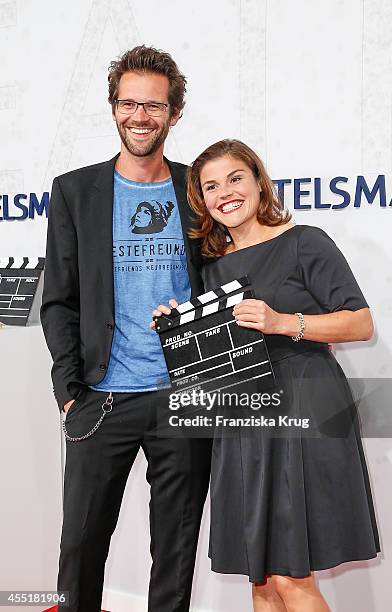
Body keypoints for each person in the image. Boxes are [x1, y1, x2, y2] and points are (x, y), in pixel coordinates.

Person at [152, 139, 380, 612]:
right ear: (201, 200)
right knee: (261, 580)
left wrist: (284, 322)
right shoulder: (210, 268)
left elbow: (360, 323)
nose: (225, 193)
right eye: (211, 186)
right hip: (242, 421)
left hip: (304, 411)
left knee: (290, 575)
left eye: (235, 178)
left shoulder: (305, 241)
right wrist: (179, 325)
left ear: (259, 181)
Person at [40, 45, 211, 612]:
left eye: (154, 106)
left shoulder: (199, 190)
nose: (141, 116)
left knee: (175, 553)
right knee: (80, 552)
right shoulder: (73, 191)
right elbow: (59, 301)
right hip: (100, 397)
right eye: (129, 103)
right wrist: (69, 393)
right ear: (114, 108)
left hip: (183, 396)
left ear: (175, 114)